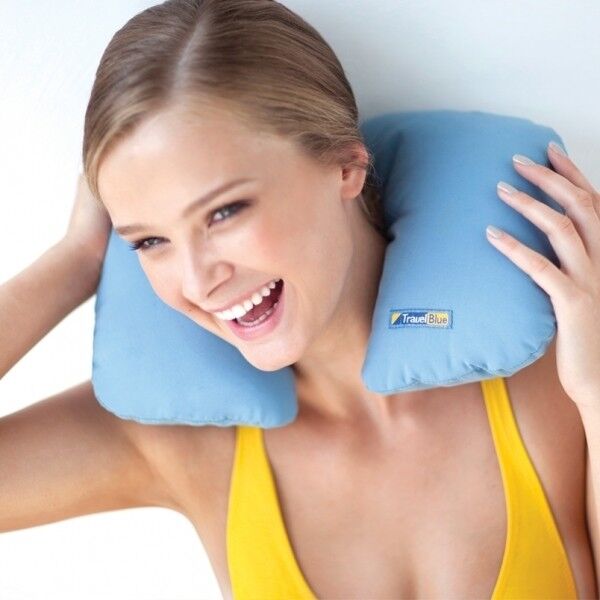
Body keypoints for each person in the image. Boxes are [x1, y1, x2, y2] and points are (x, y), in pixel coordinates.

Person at [1, 1, 597, 598]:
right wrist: (74, 262)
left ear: (345, 165)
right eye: (151, 241)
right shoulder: (184, 442)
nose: (198, 281)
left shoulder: (562, 379)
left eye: (225, 212)